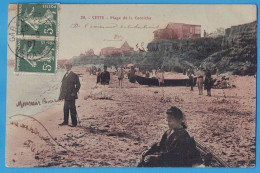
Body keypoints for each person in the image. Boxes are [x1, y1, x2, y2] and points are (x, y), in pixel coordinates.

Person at [138, 106, 202, 167]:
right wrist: (149, 151)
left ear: (179, 120)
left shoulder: (184, 136)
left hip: (178, 164)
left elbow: (174, 155)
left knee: (149, 162)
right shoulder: (168, 132)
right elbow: (161, 145)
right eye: (167, 121)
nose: (168, 123)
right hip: (169, 159)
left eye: (170, 121)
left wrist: (156, 157)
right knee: (143, 161)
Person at [59, 61, 81, 127]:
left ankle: (74, 123)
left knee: (72, 109)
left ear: (71, 67)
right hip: (66, 95)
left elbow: (78, 85)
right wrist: (61, 95)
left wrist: (74, 92)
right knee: (65, 109)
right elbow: (62, 86)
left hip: (71, 95)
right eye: (66, 66)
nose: (67, 67)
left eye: (68, 66)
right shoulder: (65, 75)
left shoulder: (74, 75)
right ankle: (65, 121)